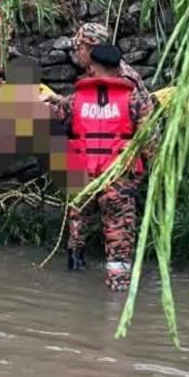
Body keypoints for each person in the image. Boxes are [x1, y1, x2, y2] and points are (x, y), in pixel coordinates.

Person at [50, 44, 155, 291]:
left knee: (77, 226)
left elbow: (48, 122)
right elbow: (152, 145)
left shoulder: (74, 99)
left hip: (82, 177)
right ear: (119, 69)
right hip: (118, 180)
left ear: (93, 68)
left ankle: (74, 273)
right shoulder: (136, 100)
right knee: (119, 236)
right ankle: (117, 290)